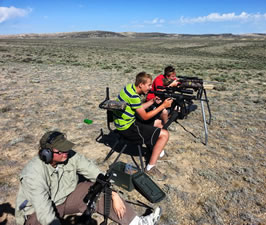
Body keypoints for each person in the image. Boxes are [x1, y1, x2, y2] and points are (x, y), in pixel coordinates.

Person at [15, 131, 162, 225]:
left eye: (66, 148)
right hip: (38, 211)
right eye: (61, 150)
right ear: (46, 153)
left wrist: (114, 193)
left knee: (99, 189)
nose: (66, 152)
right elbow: (44, 211)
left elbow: (95, 173)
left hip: (67, 198)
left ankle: (137, 223)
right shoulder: (33, 174)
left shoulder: (70, 155)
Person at [113, 72, 173, 181]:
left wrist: (152, 101)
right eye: (149, 85)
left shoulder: (129, 88)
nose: (150, 88)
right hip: (128, 128)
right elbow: (145, 117)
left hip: (125, 123)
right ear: (141, 84)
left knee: (159, 124)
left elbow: (138, 107)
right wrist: (163, 106)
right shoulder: (134, 96)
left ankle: (155, 149)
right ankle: (150, 168)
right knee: (165, 134)